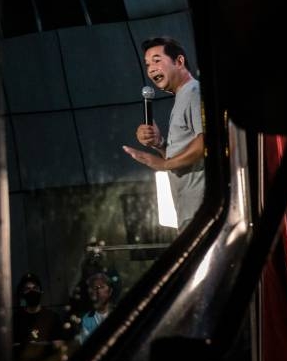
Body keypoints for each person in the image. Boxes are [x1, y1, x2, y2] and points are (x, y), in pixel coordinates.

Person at [122, 37, 205, 228]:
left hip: (200, 209)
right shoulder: (181, 98)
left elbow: (207, 142)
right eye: (148, 64)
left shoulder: (194, 92)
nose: (151, 69)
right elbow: (182, 155)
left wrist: (163, 164)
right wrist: (159, 143)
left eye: (157, 60)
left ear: (179, 61)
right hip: (188, 209)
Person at [13, 273, 67, 361]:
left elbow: (60, 344)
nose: (32, 291)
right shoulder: (16, 319)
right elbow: (12, 348)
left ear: (40, 291)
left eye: (35, 288)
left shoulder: (52, 317)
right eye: (27, 289)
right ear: (22, 293)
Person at [79, 271, 114, 343]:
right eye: (94, 288)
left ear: (110, 291)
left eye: (101, 287)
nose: (97, 291)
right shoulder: (87, 319)